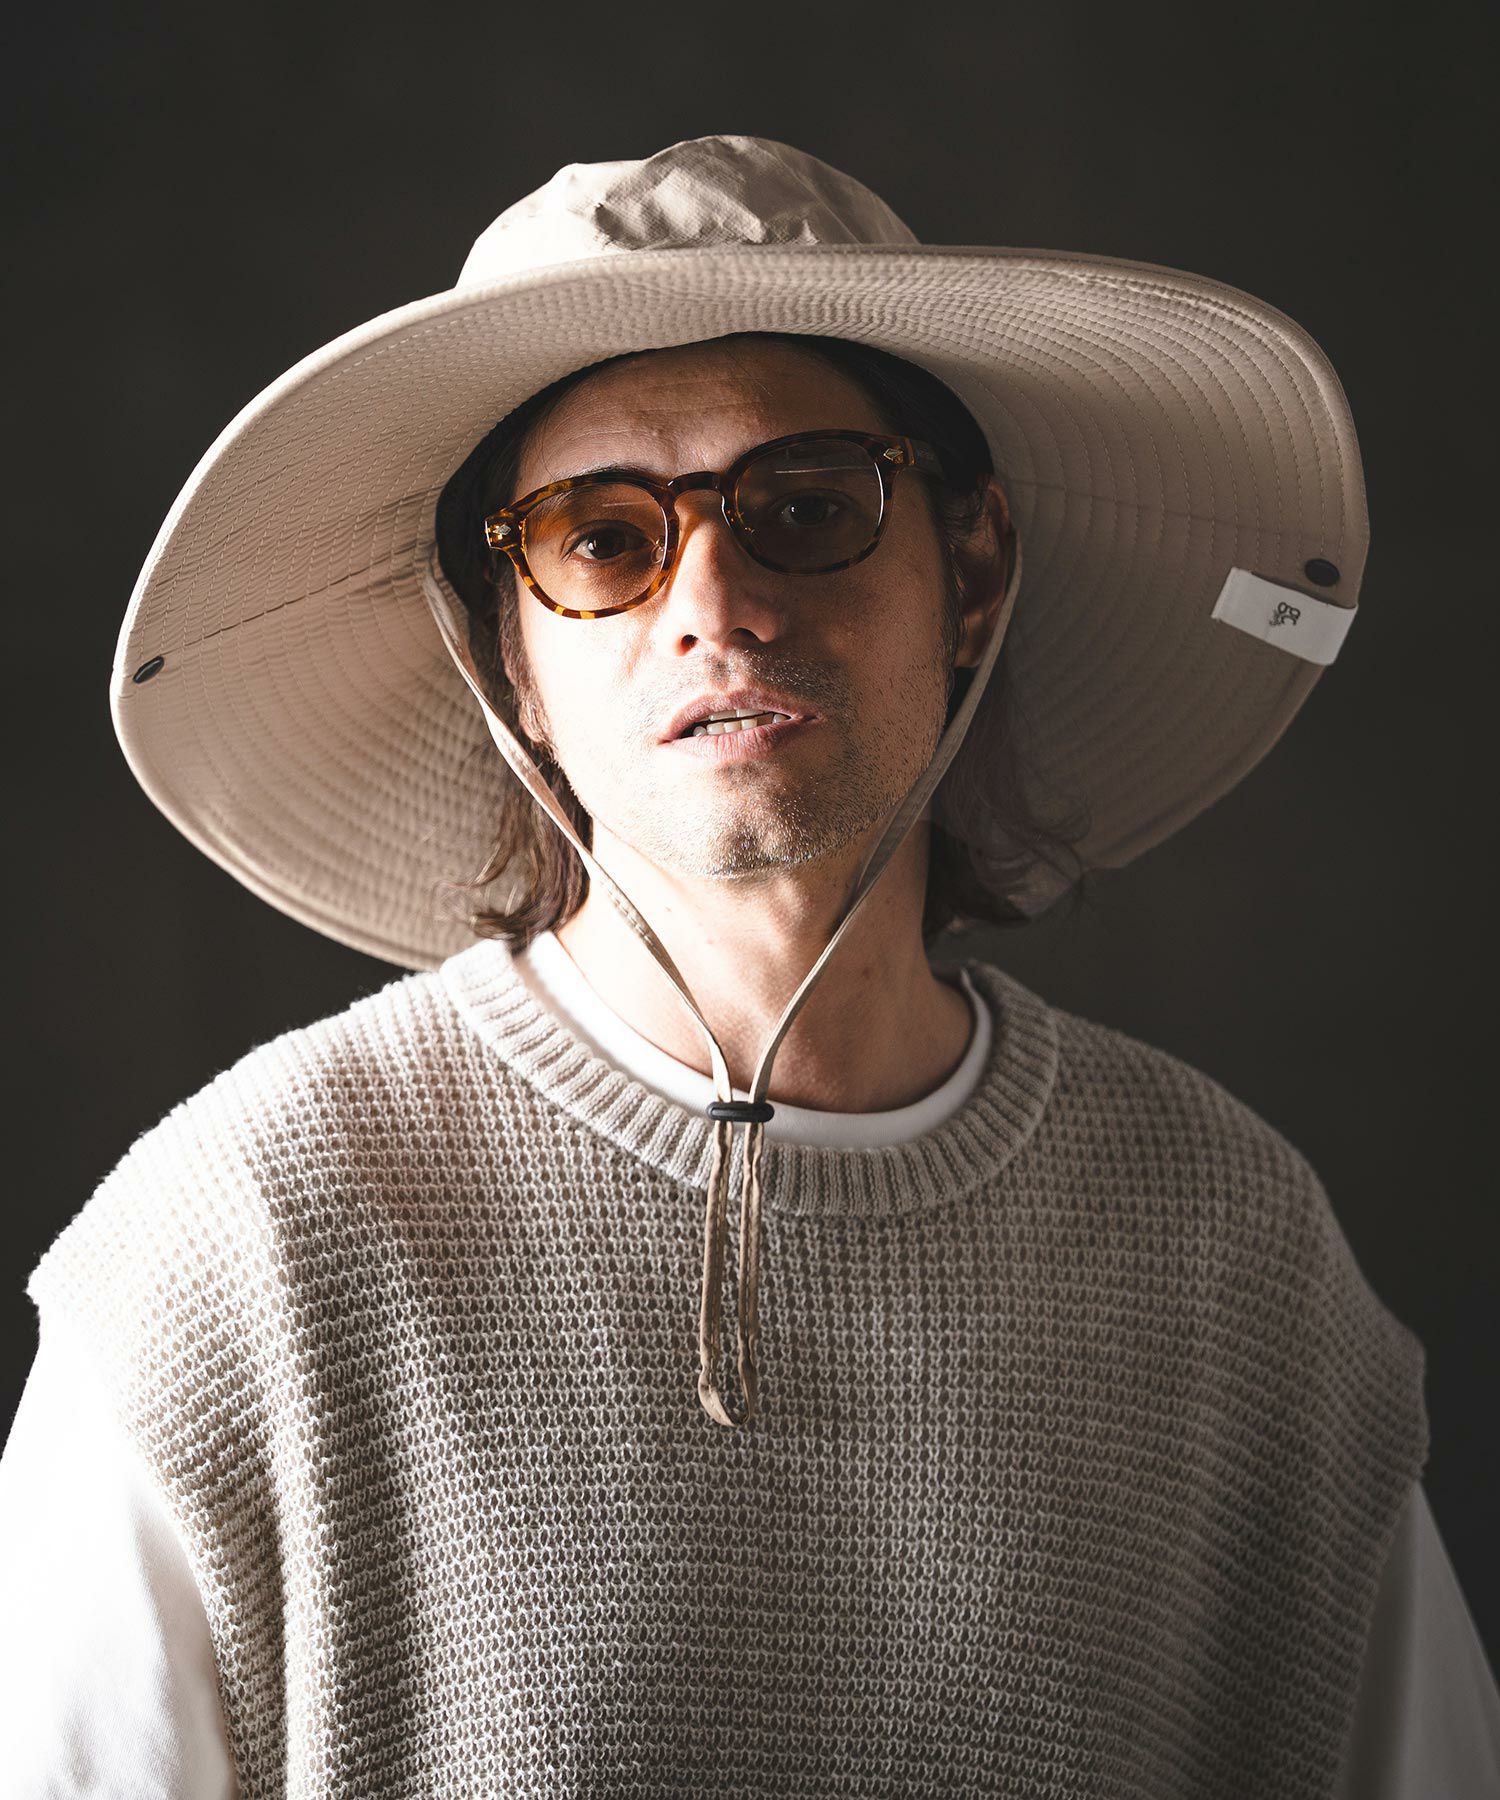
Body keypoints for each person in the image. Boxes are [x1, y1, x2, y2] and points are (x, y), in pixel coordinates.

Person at [2, 135, 1496, 1798]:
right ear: (510, 651)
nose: (714, 600)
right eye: (601, 538)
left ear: (973, 573)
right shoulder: (242, 1252)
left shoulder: (1234, 1256)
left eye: (807, 509)